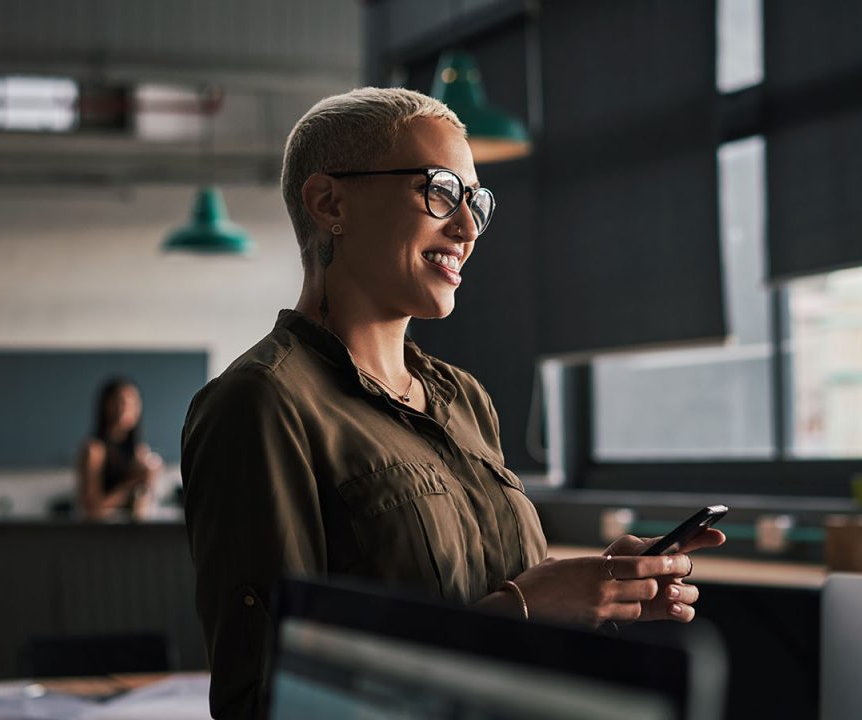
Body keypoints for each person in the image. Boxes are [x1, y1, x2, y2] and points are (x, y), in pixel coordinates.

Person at [180, 87, 726, 720]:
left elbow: (485, 582)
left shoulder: (463, 398)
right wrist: (522, 610)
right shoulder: (262, 404)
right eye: (438, 191)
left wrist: (593, 588)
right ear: (331, 202)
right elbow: (268, 697)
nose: (467, 229)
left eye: (476, 202)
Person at [77, 377, 162, 520]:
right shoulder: (94, 451)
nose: (129, 408)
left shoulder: (139, 451)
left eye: (134, 403)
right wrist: (134, 482)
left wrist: (148, 485)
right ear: (107, 405)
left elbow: (142, 510)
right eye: (122, 402)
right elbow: (92, 508)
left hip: (130, 535)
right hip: (100, 535)